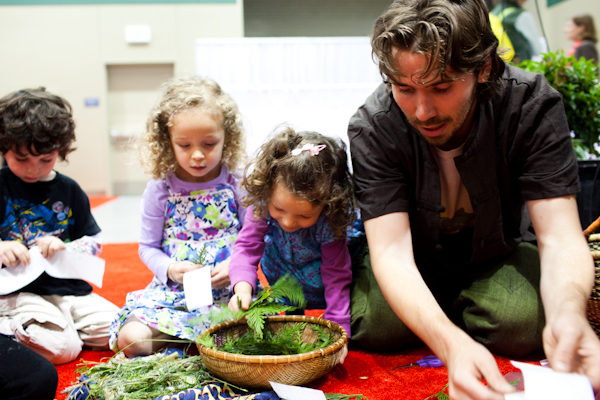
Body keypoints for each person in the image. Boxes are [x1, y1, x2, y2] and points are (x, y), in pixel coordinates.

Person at [348, 0, 600, 399]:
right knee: (376, 324)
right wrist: (450, 343)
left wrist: (568, 314)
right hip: (414, 256)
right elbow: (392, 252)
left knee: (527, 323)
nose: (423, 110)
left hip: (495, 252)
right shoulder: (374, 124)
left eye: (442, 87)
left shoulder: (530, 106)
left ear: (483, 68)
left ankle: (452, 311)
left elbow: (560, 236)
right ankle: (450, 319)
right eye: (404, 89)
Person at [109, 76, 247, 357]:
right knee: (132, 339)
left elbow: (255, 238)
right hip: (175, 296)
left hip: (227, 295)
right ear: (167, 141)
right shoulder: (160, 189)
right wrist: (171, 269)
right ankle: (197, 343)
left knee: (242, 332)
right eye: (184, 145)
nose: (197, 155)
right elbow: (148, 247)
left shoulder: (236, 183)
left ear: (226, 138)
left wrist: (236, 265)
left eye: (209, 143)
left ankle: (201, 343)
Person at [0, 87, 119, 365]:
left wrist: (65, 246)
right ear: (4, 148)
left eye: (45, 160)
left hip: (68, 290)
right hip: (16, 293)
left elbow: (93, 242)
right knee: (62, 349)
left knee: (123, 330)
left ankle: (61, 328)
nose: (33, 170)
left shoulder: (69, 189)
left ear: (60, 151)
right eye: (21, 159)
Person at [228, 126, 354, 363]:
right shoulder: (262, 207)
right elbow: (246, 248)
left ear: (327, 204)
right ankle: (293, 312)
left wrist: (340, 331)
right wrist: (242, 288)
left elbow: (337, 275)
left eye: (304, 216)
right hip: (282, 274)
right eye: (279, 209)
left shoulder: (329, 223)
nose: (287, 222)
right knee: (288, 317)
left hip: (318, 283)